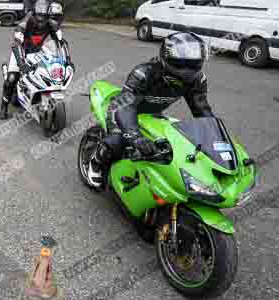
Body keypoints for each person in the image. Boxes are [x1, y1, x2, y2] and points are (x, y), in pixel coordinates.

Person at [85, 31, 214, 189]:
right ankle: (95, 162)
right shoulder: (144, 73)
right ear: (166, 57)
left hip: (152, 114)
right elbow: (126, 105)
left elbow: (201, 110)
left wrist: (214, 138)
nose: (186, 69)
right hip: (123, 109)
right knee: (119, 141)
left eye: (192, 63)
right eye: (181, 64)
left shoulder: (197, 79)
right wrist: (135, 137)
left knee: (170, 146)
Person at [0, 0, 63, 120]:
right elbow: (16, 44)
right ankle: (3, 107)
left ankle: (36, 95)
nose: (40, 21)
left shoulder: (52, 24)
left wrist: (66, 60)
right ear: (33, 13)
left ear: (48, 16)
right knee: (12, 78)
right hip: (21, 51)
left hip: (37, 52)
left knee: (48, 72)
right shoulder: (24, 24)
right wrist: (21, 63)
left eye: (44, 17)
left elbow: (60, 43)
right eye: (38, 17)